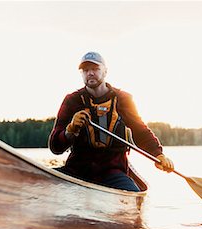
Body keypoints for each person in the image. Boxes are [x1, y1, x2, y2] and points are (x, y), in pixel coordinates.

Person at [48, 51, 174, 191]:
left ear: (105, 71)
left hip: (113, 172)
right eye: (85, 70)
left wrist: (158, 154)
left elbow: (140, 132)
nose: (90, 73)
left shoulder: (123, 99)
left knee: (132, 193)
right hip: (76, 170)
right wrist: (70, 130)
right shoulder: (72, 100)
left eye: (95, 69)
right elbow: (55, 147)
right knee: (42, 183)